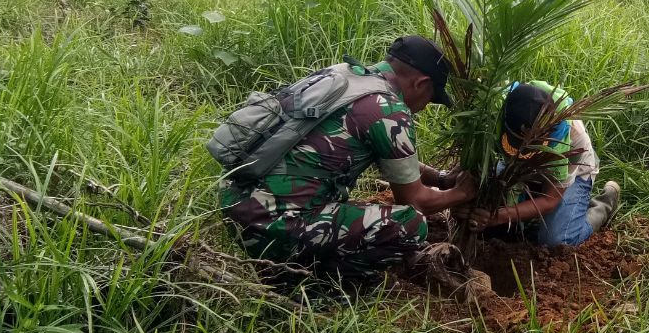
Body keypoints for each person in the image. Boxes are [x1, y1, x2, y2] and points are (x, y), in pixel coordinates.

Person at [219, 36, 474, 278]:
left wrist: (440, 178)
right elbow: (416, 201)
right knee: (410, 225)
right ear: (421, 84)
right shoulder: (388, 110)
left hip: (236, 204)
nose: (425, 105)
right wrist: (463, 193)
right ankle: (319, 285)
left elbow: (389, 154)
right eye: (431, 98)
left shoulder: (344, 75)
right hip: (271, 228)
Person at [466, 81, 620, 246]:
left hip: (573, 174)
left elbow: (550, 200)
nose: (522, 152)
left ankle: (602, 205)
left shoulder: (572, 140)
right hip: (522, 170)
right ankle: (556, 213)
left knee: (556, 240)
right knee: (503, 226)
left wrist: (500, 215)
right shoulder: (496, 109)